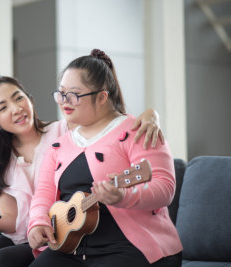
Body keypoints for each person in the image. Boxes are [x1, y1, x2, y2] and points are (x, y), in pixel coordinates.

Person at [0, 76, 164, 267]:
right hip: (20, 235)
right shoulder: (1, 159)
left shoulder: (64, 131)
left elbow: (109, 124)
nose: (16, 108)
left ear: (30, 99)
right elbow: (12, 220)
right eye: (3, 107)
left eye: (18, 98)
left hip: (59, 232)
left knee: (0, 261)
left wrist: (151, 114)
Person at [27, 49, 183, 267]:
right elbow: (42, 193)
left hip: (129, 247)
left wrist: (123, 197)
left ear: (101, 97)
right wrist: (38, 222)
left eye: (73, 94)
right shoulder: (59, 145)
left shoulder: (139, 130)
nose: (64, 102)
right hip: (71, 247)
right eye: (61, 93)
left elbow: (164, 188)